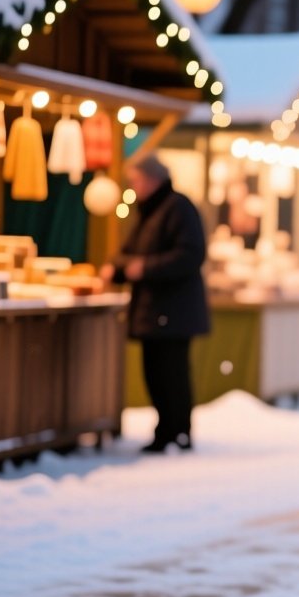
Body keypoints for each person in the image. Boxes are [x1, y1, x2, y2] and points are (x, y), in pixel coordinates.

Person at [104, 157, 208, 453]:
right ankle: (166, 430)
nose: (133, 188)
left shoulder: (178, 208)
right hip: (154, 309)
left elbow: (190, 255)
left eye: (136, 180)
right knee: (154, 372)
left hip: (174, 310)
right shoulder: (148, 212)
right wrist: (120, 269)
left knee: (171, 373)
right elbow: (128, 254)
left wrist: (146, 268)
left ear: (153, 179)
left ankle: (178, 432)